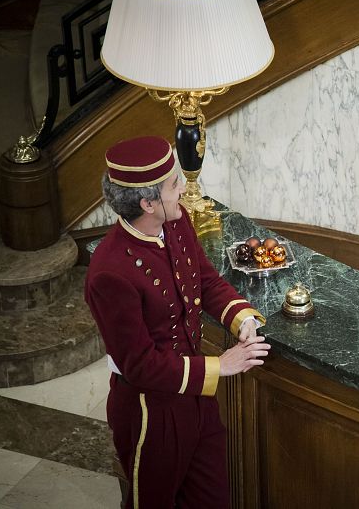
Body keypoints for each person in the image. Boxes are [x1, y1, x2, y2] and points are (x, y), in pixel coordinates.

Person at [85, 136, 270, 508]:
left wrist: (242, 318)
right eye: (174, 184)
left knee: (213, 498)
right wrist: (222, 365)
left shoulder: (177, 220)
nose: (184, 188)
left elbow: (204, 280)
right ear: (148, 202)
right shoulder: (109, 272)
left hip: (196, 401)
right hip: (149, 415)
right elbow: (138, 364)